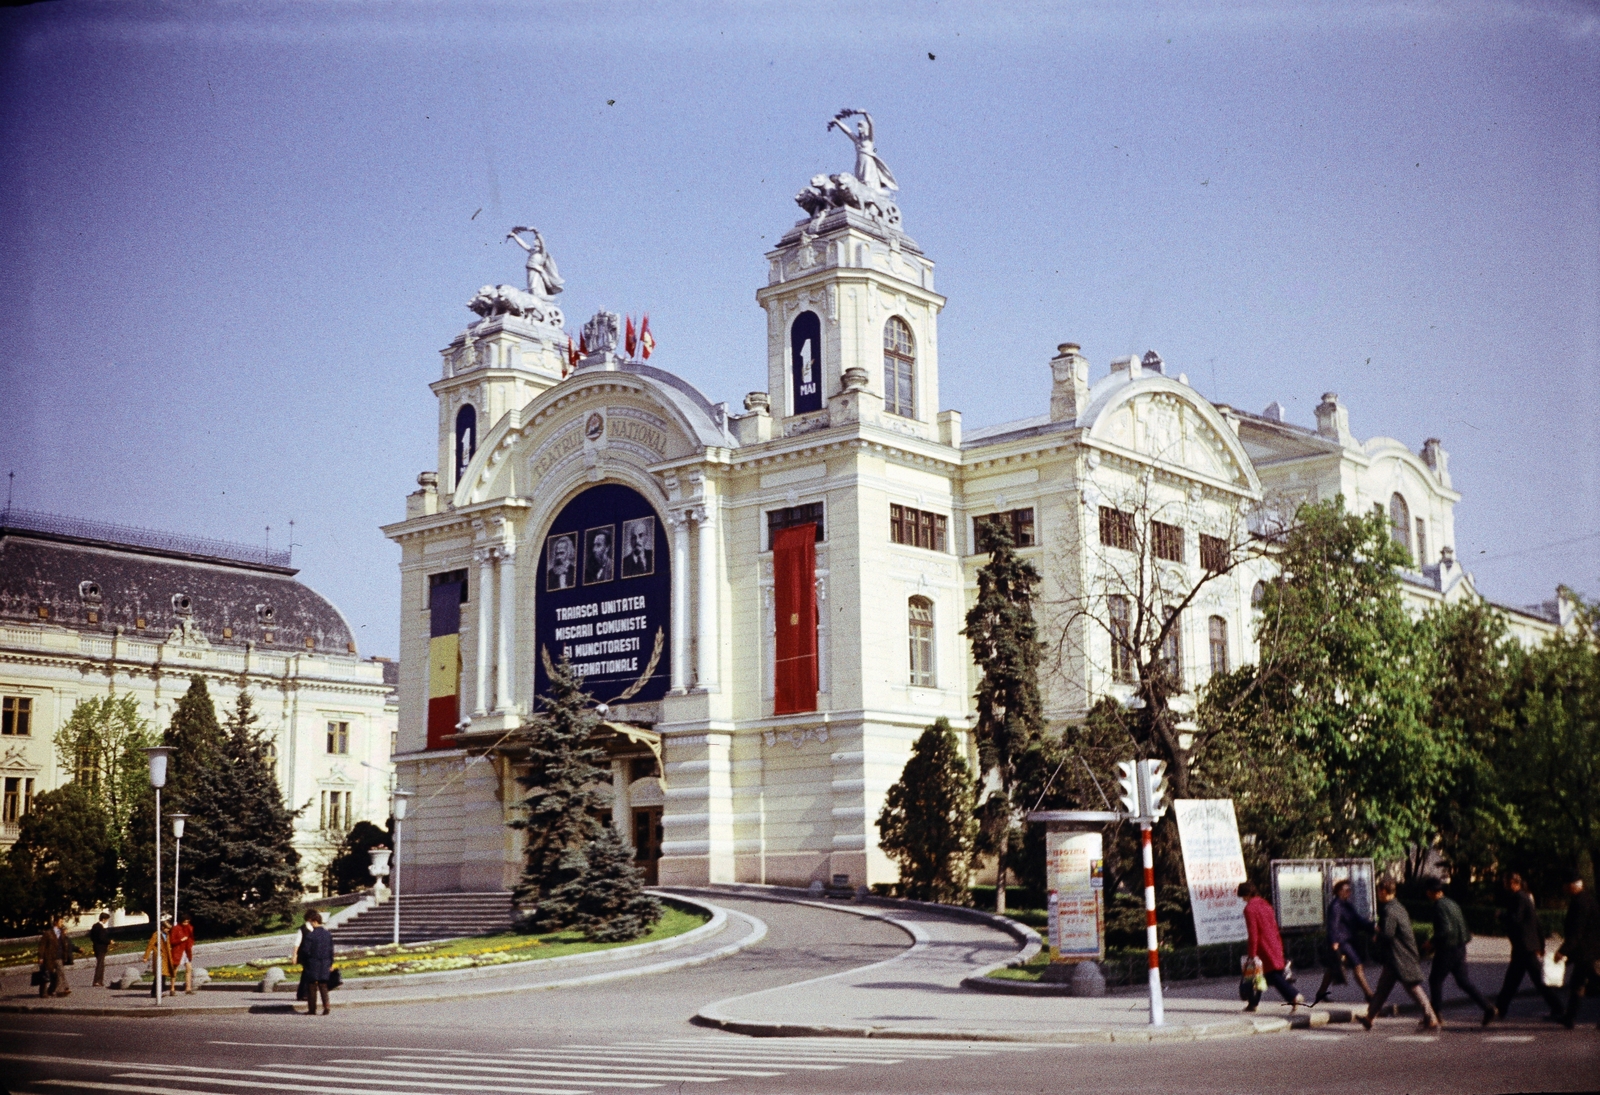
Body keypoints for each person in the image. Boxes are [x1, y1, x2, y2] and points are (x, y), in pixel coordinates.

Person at [1360, 878, 1441, 1031]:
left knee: (1412, 987)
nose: (1378, 894)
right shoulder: (1398, 906)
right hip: (1397, 956)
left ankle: (1431, 1018)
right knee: (1383, 988)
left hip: (1399, 956)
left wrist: (1377, 936)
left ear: (1384, 891)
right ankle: (1369, 1018)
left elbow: (1388, 934)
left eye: (1379, 891)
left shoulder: (1389, 910)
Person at [1494, 871, 1565, 1020]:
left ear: (1514, 883)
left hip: (1524, 947)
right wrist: (1541, 944)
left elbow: (1516, 919)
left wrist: (1501, 916)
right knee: (1514, 980)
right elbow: (1537, 923)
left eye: (1506, 882)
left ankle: (1558, 1008)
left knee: (1529, 980)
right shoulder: (1526, 897)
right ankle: (1500, 1008)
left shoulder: (1518, 898)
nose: (1504, 885)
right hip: (1526, 946)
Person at [1425, 878, 1494, 1025]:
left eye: (1428, 892)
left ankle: (1436, 1014)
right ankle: (1487, 1007)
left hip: (1447, 949)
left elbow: (1446, 930)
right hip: (1460, 947)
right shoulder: (1452, 903)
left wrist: (1431, 942)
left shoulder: (1438, 906)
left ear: (1431, 892)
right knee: (1463, 981)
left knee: (1435, 980)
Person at [1239, 880, 1305, 1011]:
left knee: (1267, 974)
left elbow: (1253, 933)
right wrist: (1280, 946)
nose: (1243, 899)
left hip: (1262, 947)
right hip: (1273, 943)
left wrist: (1252, 954)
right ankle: (1253, 1004)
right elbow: (1274, 927)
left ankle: (1294, 995)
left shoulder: (1249, 909)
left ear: (1247, 894)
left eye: (1243, 896)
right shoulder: (1266, 905)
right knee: (1260, 975)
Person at [1313, 878, 1376, 1006]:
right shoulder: (1336, 906)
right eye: (1346, 890)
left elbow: (1358, 920)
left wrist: (1372, 927)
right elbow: (1332, 925)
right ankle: (1369, 994)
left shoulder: (1347, 905)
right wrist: (1334, 942)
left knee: (1332, 968)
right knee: (1357, 965)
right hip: (1341, 942)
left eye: (1349, 890)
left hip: (1348, 940)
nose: (1349, 892)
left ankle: (1321, 993)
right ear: (1339, 891)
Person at [1554, 871, 1600, 1030]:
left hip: (1590, 952)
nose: (1563, 888)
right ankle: (1569, 1017)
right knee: (1576, 984)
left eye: (1565, 885)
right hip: (1586, 952)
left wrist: (1563, 951)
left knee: (1595, 981)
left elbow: (1577, 931)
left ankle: (1569, 1017)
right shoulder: (1585, 899)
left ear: (1572, 886)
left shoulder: (1581, 903)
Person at [506, 226, 564, 299]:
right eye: (535, 240)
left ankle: (539, 296)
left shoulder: (542, 252)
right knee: (531, 286)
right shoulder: (532, 251)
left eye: (536, 240)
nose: (534, 241)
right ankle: (534, 296)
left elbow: (543, 243)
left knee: (534, 286)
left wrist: (536, 232)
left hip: (537, 270)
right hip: (530, 269)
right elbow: (523, 245)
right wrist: (514, 236)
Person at [297, 908, 335, 1016]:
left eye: (311, 922)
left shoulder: (310, 935)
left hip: (312, 963)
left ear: (314, 921)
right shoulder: (328, 934)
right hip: (325, 962)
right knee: (323, 985)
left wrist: (304, 961)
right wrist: (331, 963)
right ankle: (326, 1006)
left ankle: (312, 1009)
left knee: (312, 986)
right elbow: (331, 950)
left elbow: (305, 950)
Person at [37, 917, 69, 997]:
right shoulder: (48, 933)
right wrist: (41, 957)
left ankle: (61, 990)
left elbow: (64, 944)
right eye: (60, 922)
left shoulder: (61, 933)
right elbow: (42, 946)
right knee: (47, 975)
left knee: (60, 972)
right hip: (49, 957)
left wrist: (65, 955)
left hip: (58, 956)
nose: (62, 923)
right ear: (55, 922)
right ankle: (44, 992)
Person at [142, 915, 173, 998]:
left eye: (169, 929)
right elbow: (150, 945)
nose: (168, 930)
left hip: (166, 956)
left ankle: (156, 991)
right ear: (162, 927)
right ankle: (159, 991)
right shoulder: (156, 935)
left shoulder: (167, 935)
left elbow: (168, 944)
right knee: (160, 974)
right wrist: (146, 957)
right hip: (159, 956)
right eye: (167, 928)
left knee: (163, 974)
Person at [169, 914, 195, 994]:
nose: (186, 924)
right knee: (175, 970)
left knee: (189, 968)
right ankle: (172, 988)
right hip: (178, 951)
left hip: (186, 950)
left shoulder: (189, 927)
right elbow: (172, 941)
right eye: (184, 922)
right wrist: (181, 940)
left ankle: (188, 988)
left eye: (187, 922)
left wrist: (190, 945)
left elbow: (191, 938)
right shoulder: (176, 928)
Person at [90, 912, 112, 987]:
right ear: (103, 919)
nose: (106, 921)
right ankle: (97, 981)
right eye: (106, 920)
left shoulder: (95, 926)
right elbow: (102, 938)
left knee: (100, 964)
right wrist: (109, 941)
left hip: (96, 947)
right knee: (100, 965)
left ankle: (99, 981)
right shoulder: (100, 927)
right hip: (101, 948)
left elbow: (91, 936)